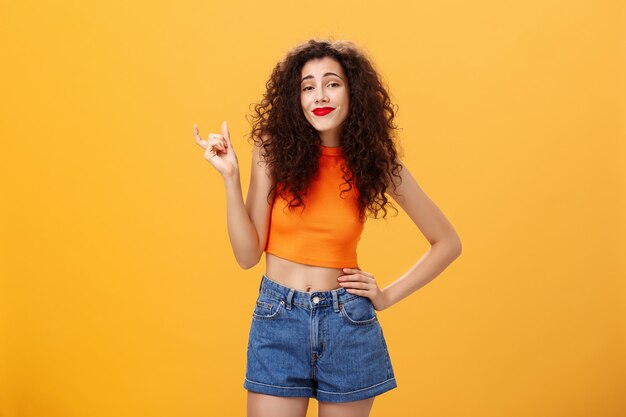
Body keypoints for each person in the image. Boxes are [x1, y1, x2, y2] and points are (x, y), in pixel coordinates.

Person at [193, 38, 462, 417]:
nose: (320, 94)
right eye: (308, 86)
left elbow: (447, 242)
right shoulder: (272, 151)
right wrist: (230, 179)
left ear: (354, 92)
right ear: (296, 98)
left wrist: (386, 296)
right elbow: (246, 255)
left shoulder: (376, 162)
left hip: (347, 323)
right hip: (278, 318)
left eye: (332, 83)